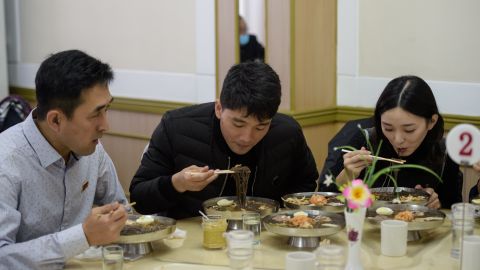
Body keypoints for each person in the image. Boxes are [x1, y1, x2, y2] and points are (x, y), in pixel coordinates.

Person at [130, 61, 318, 219]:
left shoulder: (288, 133)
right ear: (219, 108)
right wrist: (176, 184)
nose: (247, 138)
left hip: (263, 237)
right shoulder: (176, 127)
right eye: (238, 124)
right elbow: (139, 200)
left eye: (260, 127)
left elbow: (305, 185)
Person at [0, 50, 128, 269]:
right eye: (96, 113)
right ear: (56, 120)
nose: (105, 125)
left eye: (107, 108)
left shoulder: (92, 150)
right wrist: (83, 236)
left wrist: (117, 218)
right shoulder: (6, 162)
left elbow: (119, 206)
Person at [325, 75, 462, 209]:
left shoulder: (444, 153)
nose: (398, 140)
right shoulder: (365, 140)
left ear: (432, 121)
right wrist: (348, 175)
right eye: (388, 128)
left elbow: (453, 208)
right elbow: (324, 199)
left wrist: (436, 204)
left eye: (409, 130)